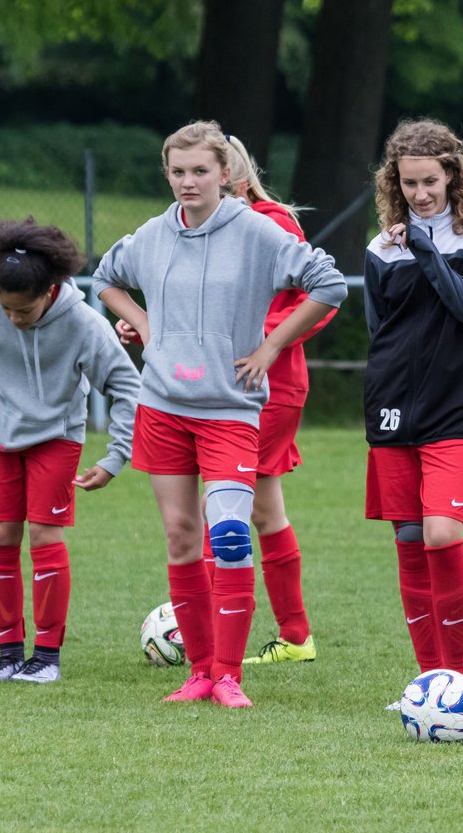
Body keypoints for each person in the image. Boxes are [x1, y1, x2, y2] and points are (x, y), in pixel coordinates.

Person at [92, 121, 346, 707]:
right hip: (162, 408)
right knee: (182, 538)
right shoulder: (154, 235)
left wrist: (272, 344)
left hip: (230, 411)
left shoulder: (258, 231)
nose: (188, 182)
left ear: (226, 173)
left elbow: (328, 285)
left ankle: (229, 675)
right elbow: (105, 278)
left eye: (200, 171)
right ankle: (200, 672)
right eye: (177, 172)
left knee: (230, 536)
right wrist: (149, 328)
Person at [0, 217, 141, 684]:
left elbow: (126, 386)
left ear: (51, 291)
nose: (13, 318)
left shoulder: (83, 323)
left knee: (44, 539)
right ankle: (10, 652)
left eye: (24, 312)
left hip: (57, 437)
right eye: (5, 308)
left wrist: (115, 457)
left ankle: (46, 657)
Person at [363, 118, 463, 715]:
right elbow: (381, 329)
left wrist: (427, 251)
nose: (421, 194)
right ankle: (430, 686)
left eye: (431, 181)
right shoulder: (380, 248)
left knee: (442, 534)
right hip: (393, 406)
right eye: (409, 184)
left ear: (453, 174)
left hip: (457, 407)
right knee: (409, 540)